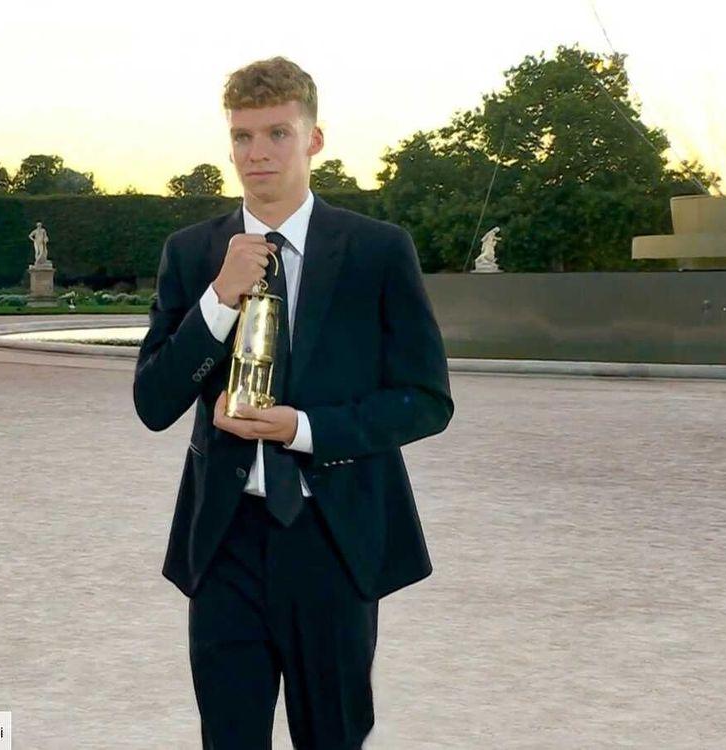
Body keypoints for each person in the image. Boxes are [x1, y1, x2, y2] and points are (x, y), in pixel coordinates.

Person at [133, 56, 454, 749]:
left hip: (331, 536)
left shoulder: (376, 251)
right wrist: (218, 299)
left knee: (332, 738)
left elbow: (427, 400)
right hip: (224, 541)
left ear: (313, 139)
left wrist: (305, 428)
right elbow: (154, 402)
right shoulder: (193, 254)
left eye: (277, 133)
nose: (258, 154)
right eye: (243, 137)